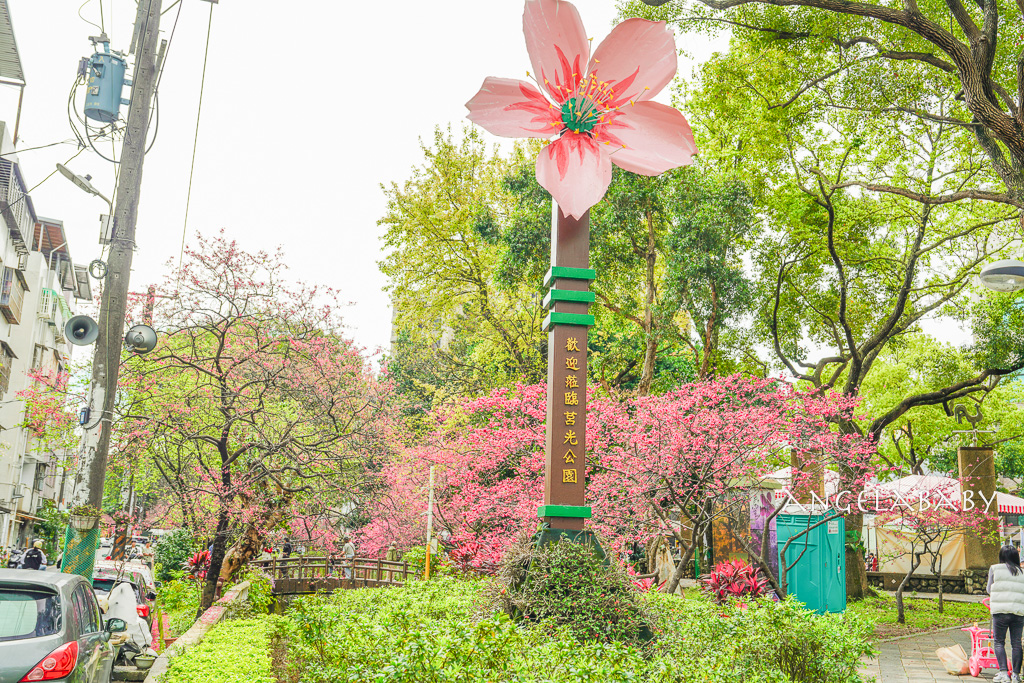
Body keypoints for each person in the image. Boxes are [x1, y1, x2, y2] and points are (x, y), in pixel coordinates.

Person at [987, 545, 1024, 683]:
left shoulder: (994, 568)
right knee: (1016, 643)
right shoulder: (1023, 572)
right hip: (1018, 612)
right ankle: (1016, 675)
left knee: (999, 642)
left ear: (1001, 556)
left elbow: (989, 589)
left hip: (1000, 611)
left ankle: (1003, 674)